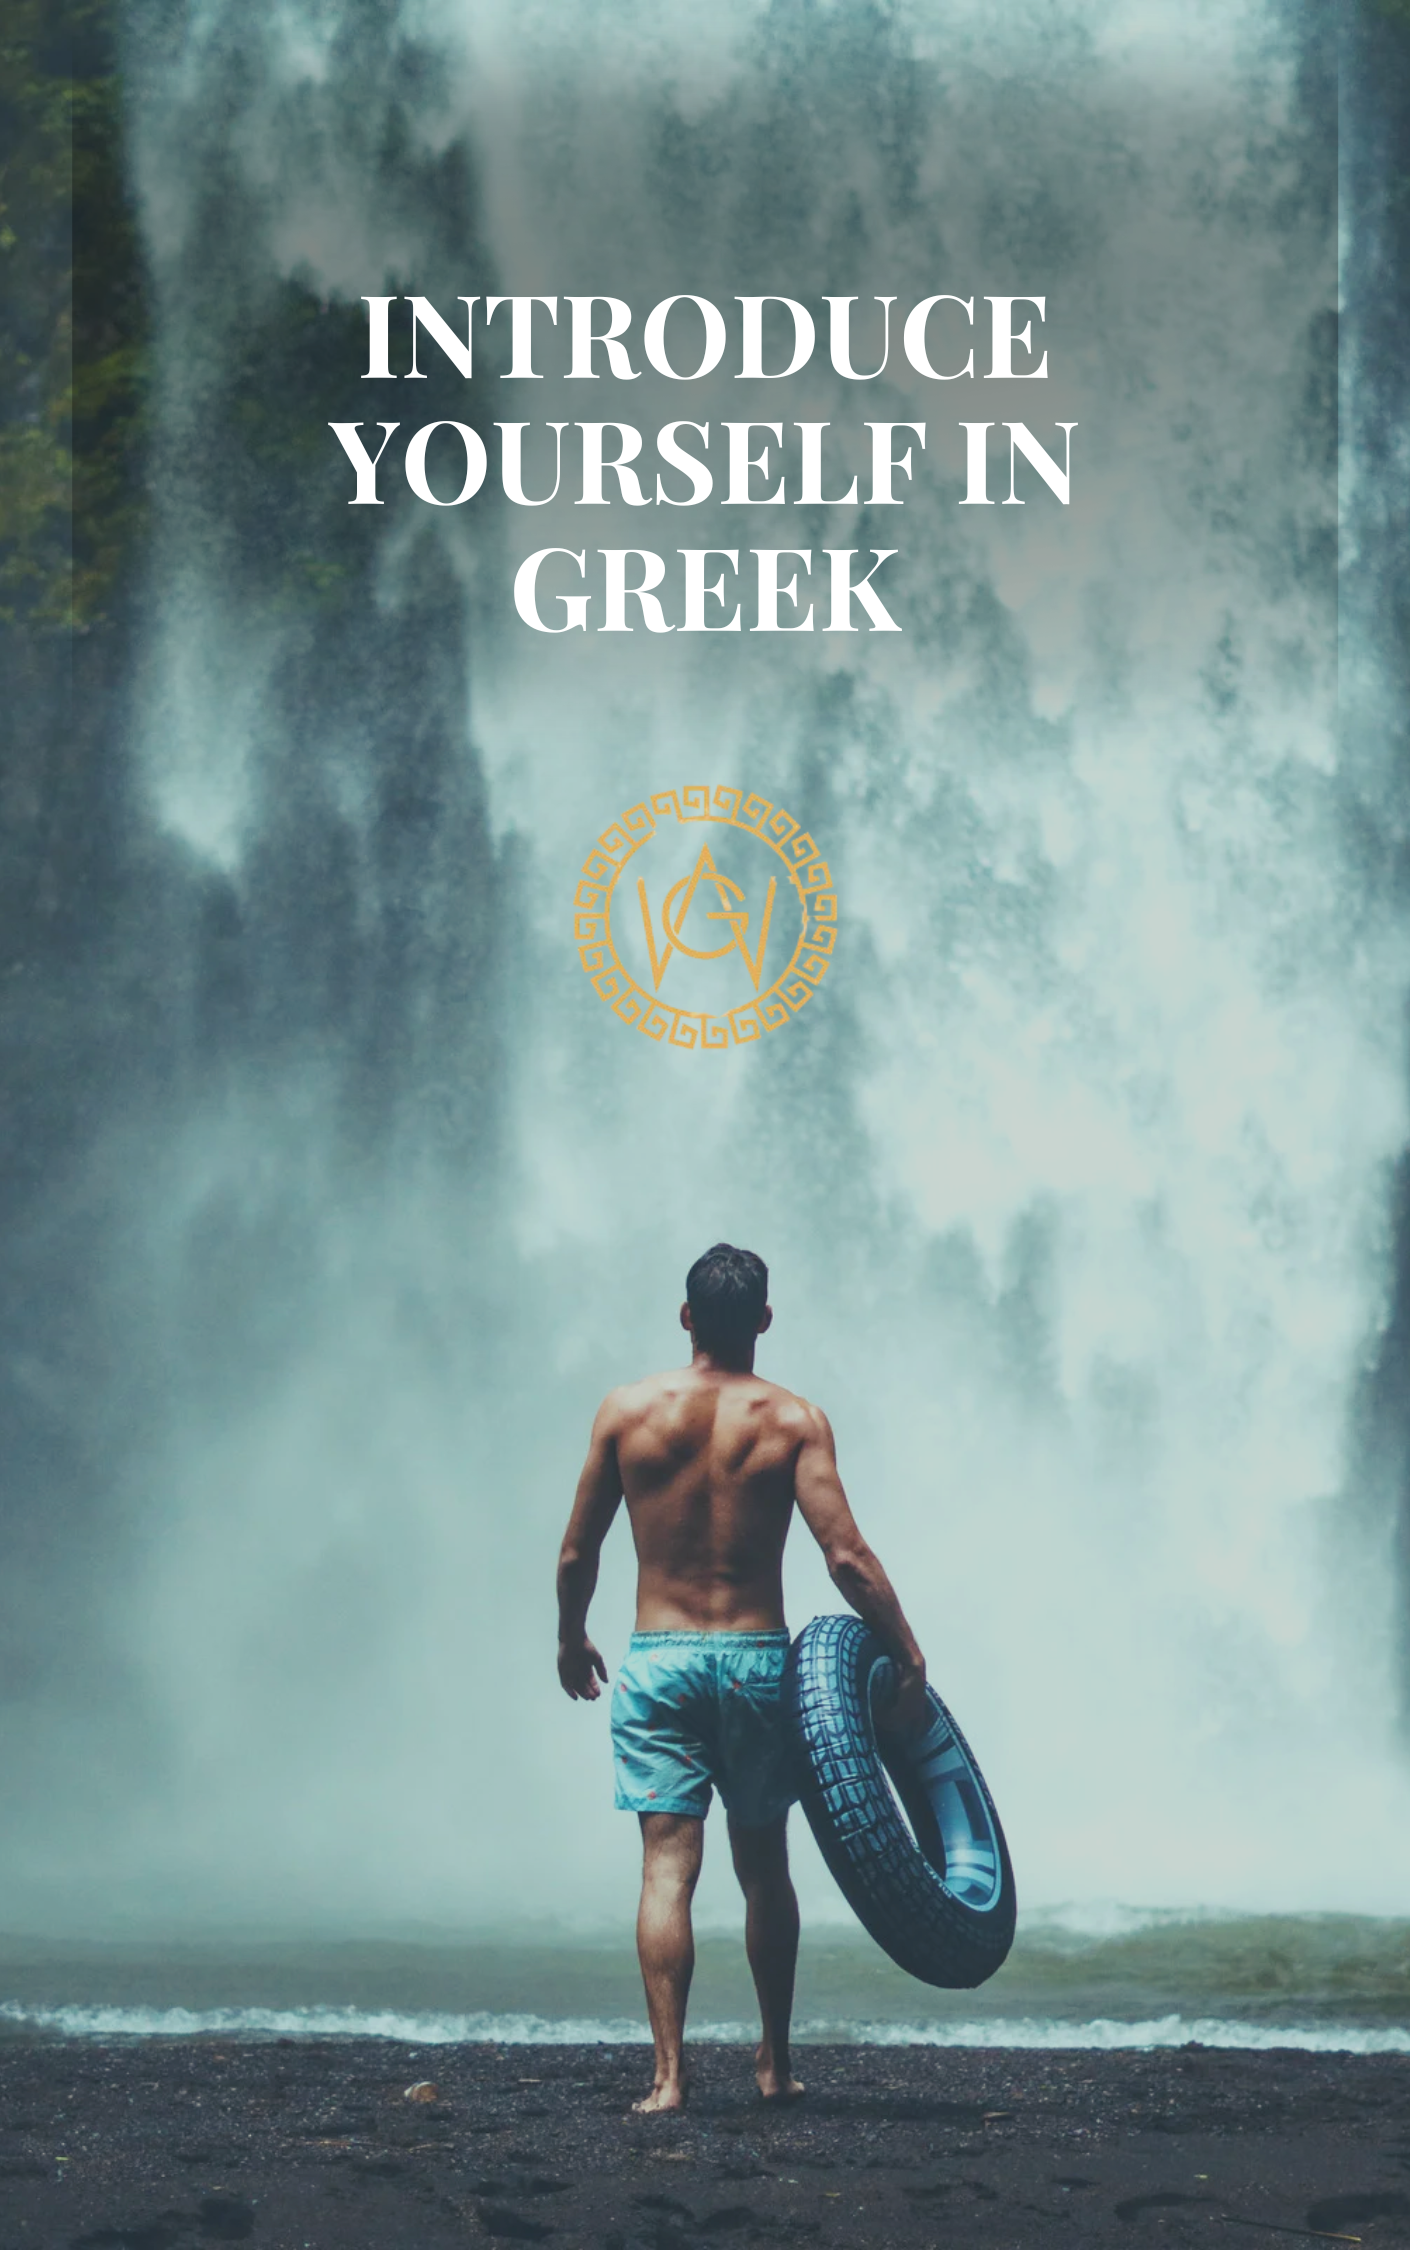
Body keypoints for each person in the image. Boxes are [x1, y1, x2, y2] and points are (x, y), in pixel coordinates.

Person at [556, 1242, 928, 2115]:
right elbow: (846, 1555)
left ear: (686, 1317)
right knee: (764, 1868)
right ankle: (774, 2063)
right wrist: (907, 1654)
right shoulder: (794, 1420)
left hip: (661, 1659)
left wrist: (572, 1639)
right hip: (760, 1661)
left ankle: (669, 2078)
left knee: (664, 1871)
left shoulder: (626, 1411)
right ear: (764, 1320)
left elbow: (580, 1549)